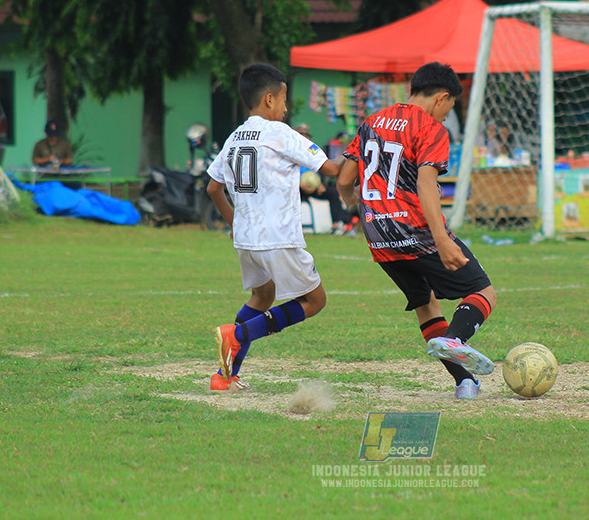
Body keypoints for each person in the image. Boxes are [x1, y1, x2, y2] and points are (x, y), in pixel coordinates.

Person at [337, 62, 497, 400]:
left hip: (379, 238)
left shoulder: (372, 122)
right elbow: (426, 185)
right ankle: (456, 339)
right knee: (483, 292)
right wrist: (442, 241)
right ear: (441, 98)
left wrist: (355, 203)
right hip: (417, 232)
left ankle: (465, 383)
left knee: (427, 305)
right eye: (449, 108)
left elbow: (344, 179)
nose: (446, 117)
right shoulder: (431, 129)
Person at [206, 63, 342, 391]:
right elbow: (332, 169)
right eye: (283, 100)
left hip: (246, 240)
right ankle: (238, 334)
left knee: (262, 296)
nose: (285, 109)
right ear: (269, 99)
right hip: (278, 237)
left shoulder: (234, 137)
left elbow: (213, 187)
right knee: (315, 301)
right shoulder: (281, 133)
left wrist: (235, 223)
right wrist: (360, 151)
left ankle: (225, 376)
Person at [295, 124, 353, 235]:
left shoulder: (312, 149)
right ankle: (291, 228)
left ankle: (338, 226)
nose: (305, 137)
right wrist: (299, 184)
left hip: (314, 186)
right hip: (297, 188)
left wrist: (320, 183)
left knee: (333, 193)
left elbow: (321, 166)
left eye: (306, 135)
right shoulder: (290, 150)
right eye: (302, 134)